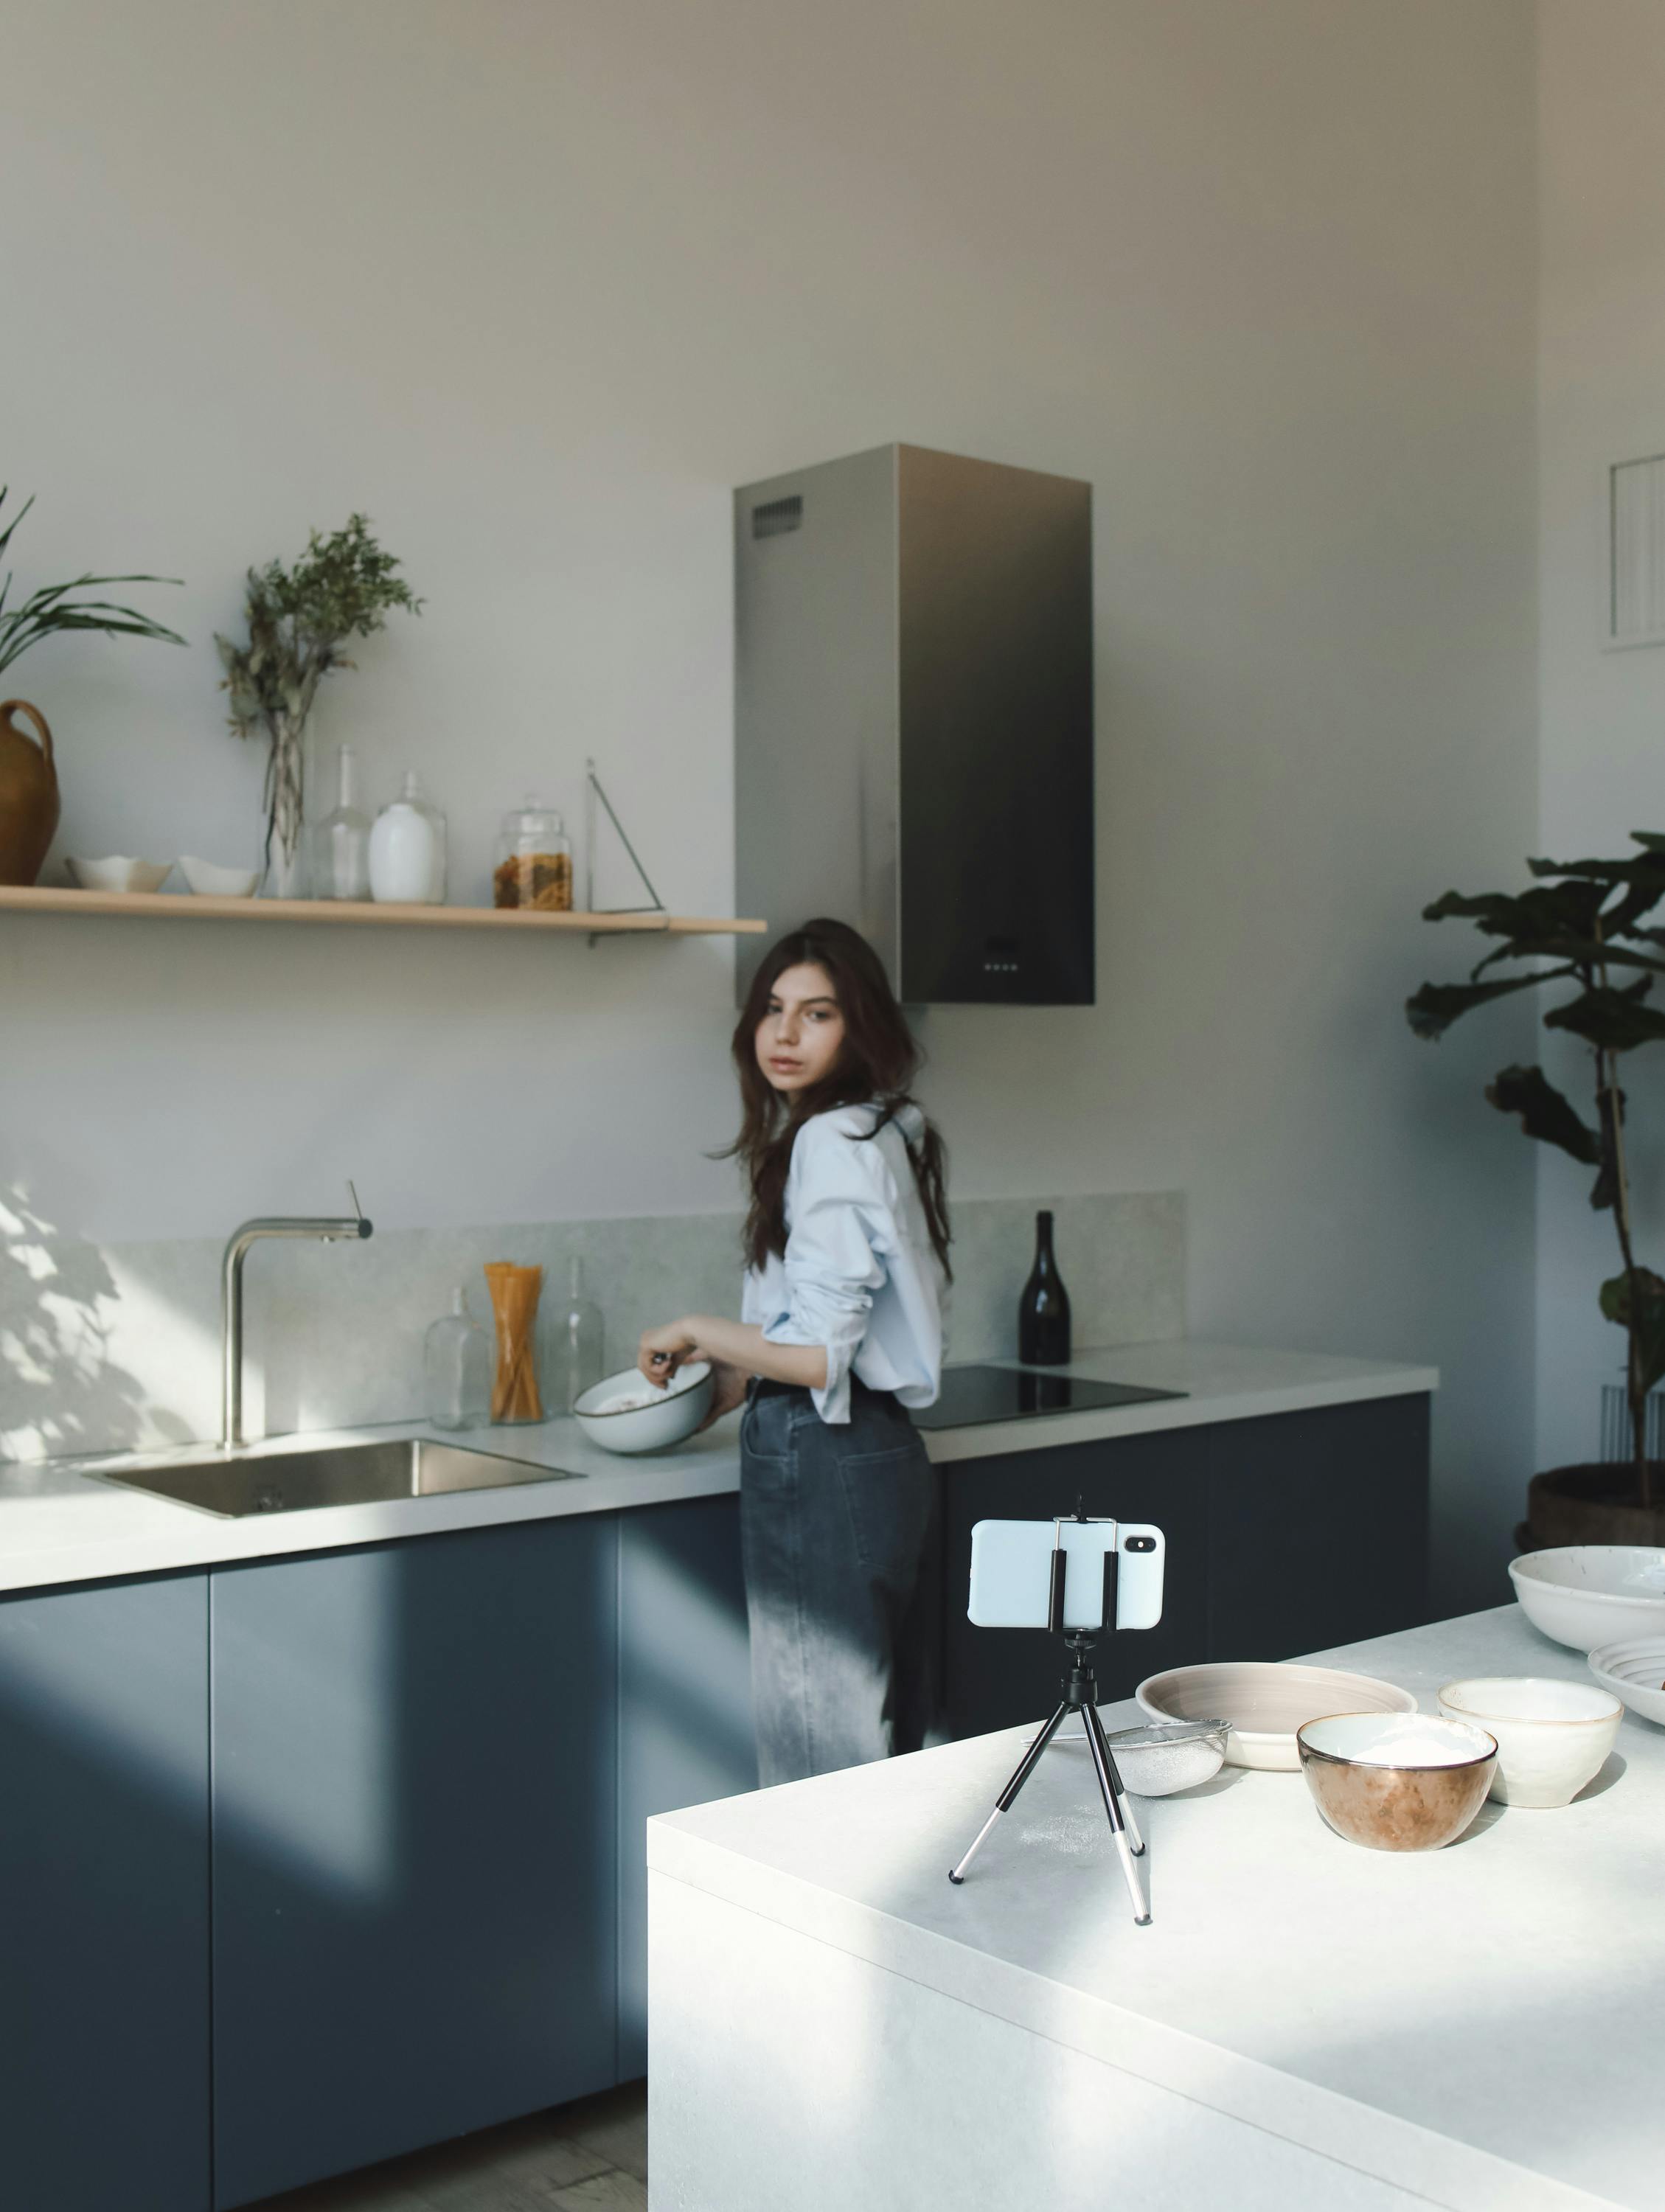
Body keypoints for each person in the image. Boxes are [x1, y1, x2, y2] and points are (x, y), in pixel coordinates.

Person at [638, 918, 951, 1786]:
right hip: (881, 1456)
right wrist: (729, 1377)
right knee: (884, 1754)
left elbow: (817, 1357)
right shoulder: (889, 1129)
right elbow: (826, 1338)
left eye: (816, 1014)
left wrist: (696, 1329)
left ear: (860, 1026)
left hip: (821, 1457)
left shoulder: (830, 1140)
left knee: (818, 1758)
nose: (782, 1033)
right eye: (772, 1009)